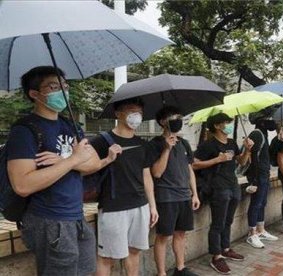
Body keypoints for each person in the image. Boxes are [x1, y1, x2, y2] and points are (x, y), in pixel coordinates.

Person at [7, 66, 99, 275]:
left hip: (76, 216)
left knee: (85, 271)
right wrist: (74, 160)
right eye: (54, 86)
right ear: (34, 94)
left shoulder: (70, 125)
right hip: (49, 219)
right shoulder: (25, 130)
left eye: (65, 86)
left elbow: (93, 163)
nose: (63, 91)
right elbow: (22, 185)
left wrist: (62, 161)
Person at [90, 98, 159, 276]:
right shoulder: (101, 142)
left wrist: (152, 205)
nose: (136, 115)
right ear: (118, 113)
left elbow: (146, 176)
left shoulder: (143, 144)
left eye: (139, 112)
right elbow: (82, 170)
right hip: (113, 207)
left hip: (140, 205)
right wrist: (107, 159)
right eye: (130, 110)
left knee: (134, 251)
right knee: (107, 257)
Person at [193, 113, 253, 275]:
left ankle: (225, 248)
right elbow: (194, 165)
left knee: (228, 220)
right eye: (226, 122)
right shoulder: (208, 145)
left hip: (232, 185)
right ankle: (216, 256)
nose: (229, 125)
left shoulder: (232, 142)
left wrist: (247, 150)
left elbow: (240, 161)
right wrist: (216, 160)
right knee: (218, 223)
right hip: (217, 187)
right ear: (217, 126)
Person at [147, 106, 200, 276]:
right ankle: (161, 273)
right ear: (163, 122)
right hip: (166, 197)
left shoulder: (184, 143)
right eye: (174, 117)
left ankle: (180, 268)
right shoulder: (155, 144)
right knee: (163, 236)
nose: (178, 120)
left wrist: (195, 193)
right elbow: (156, 172)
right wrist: (167, 148)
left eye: (180, 116)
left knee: (181, 234)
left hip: (184, 196)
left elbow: (189, 169)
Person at [244, 111, 279, 249]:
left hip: (265, 174)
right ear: (261, 121)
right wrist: (254, 180)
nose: (271, 122)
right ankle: (252, 233)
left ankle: (260, 230)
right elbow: (254, 159)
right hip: (258, 175)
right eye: (268, 119)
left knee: (262, 202)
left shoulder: (263, 134)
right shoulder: (257, 134)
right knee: (256, 203)